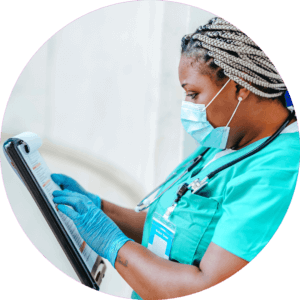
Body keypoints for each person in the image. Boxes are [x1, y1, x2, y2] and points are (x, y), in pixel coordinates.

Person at [51, 17, 300, 299]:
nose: (187, 108)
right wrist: (99, 209)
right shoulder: (227, 139)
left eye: (193, 94)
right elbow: (175, 225)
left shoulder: (279, 171)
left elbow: (205, 285)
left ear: (240, 86)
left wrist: (112, 243)